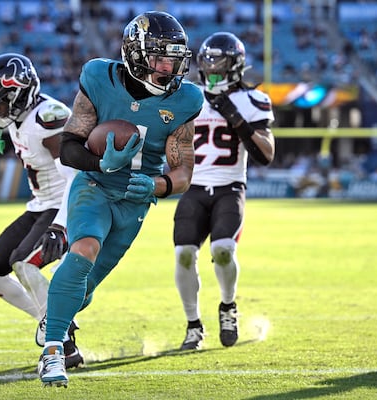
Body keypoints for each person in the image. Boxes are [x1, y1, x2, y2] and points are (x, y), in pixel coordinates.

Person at [37, 11, 203, 387]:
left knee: (85, 287)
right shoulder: (99, 77)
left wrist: (157, 186)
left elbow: (183, 174)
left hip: (135, 199)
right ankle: (51, 351)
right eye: (161, 57)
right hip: (94, 184)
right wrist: (100, 161)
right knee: (84, 249)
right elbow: (68, 147)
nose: (170, 67)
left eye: (175, 58)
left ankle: (56, 317)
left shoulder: (186, 100)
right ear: (135, 54)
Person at [0, 53, 83, 369]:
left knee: (24, 263)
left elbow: (75, 177)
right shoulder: (16, 119)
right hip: (39, 205)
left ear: (19, 92)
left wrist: (63, 225)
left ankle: (64, 343)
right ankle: (48, 320)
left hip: (64, 204)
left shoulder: (47, 117)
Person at [173, 32, 275, 350]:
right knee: (184, 255)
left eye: (219, 62)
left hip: (230, 187)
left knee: (223, 250)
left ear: (236, 65)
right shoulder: (189, 97)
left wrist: (234, 116)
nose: (212, 68)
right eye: (207, 61)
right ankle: (193, 325)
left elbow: (266, 155)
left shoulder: (253, 100)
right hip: (195, 187)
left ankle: (228, 306)